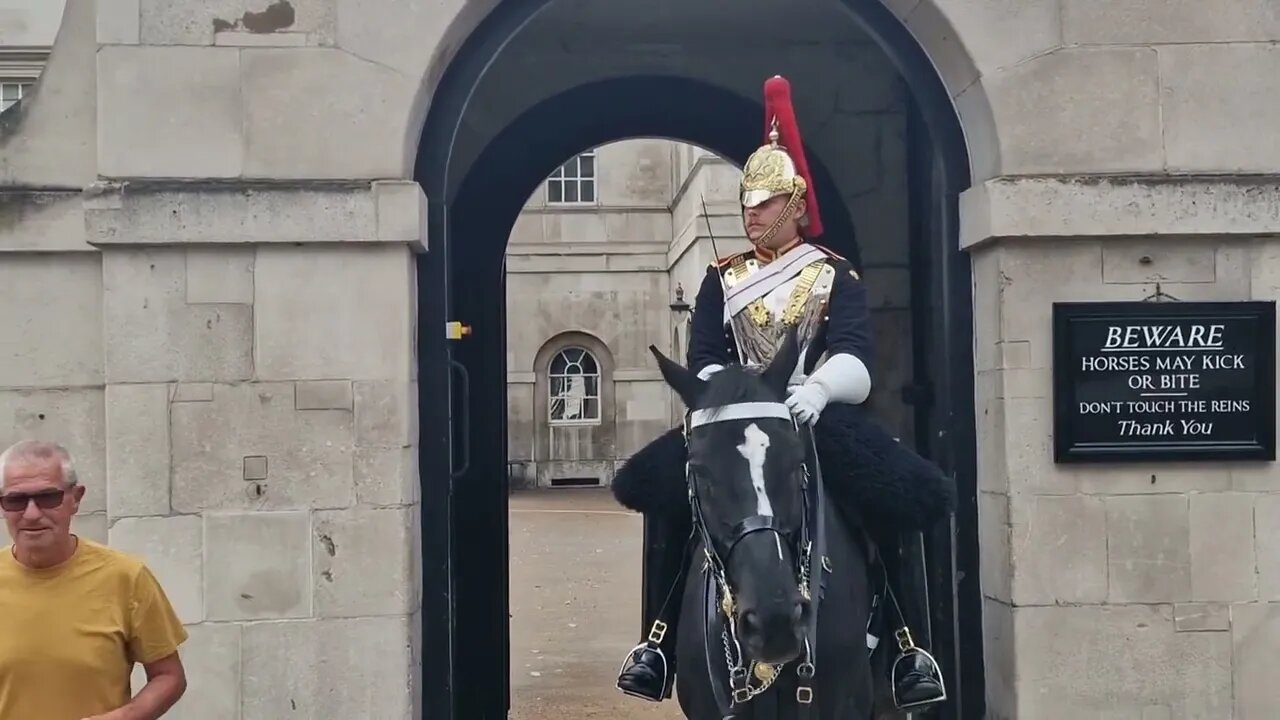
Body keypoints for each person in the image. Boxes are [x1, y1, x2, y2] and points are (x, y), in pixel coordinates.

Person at [614, 75, 948, 710]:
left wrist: (818, 390)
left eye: (764, 203)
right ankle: (655, 643)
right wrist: (727, 394)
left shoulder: (831, 274)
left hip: (809, 410)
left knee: (906, 491)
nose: (751, 213)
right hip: (733, 414)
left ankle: (910, 646)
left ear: (793, 204)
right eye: (746, 203)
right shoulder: (721, 279)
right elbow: (706, 356)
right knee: (656, 487)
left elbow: (854, 353)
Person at [0, 439, 189, 720]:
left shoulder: (126, 577)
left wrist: (126, 717)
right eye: (16, 500)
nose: (31, 513)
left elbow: (169, 677)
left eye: (47, 497)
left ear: (75, 498)